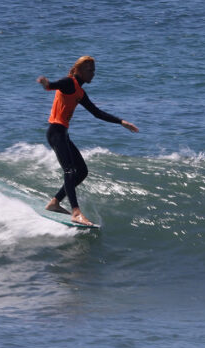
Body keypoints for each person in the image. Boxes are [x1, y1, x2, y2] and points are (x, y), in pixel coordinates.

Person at [37, 56, 139, 226]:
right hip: (56, 131)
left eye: (94, 71)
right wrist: (46, 83)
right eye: (89, 71)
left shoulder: (79, 91)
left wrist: (121, 122)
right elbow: (54, 85)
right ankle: (75, 212)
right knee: (70, 171)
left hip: (63, 133)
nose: (93, 74)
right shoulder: (69, 83)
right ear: (79, 71)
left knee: (82, 171)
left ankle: (55, 202)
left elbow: (97, 112)